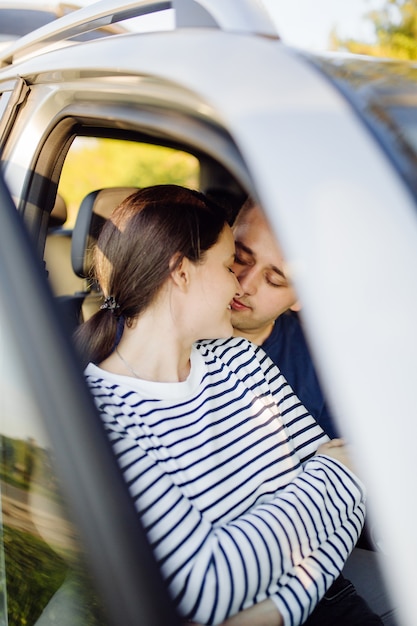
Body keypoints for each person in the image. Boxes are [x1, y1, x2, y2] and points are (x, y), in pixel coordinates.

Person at [75, 185, 378, 626]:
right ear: (181, 272)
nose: (240, 285)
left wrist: (274, 611)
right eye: (229, 264)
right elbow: (209, 587)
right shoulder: (106, 418)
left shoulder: (238, 358)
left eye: (276, 277)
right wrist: (333, 475)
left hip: (328, 605)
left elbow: (351, 510)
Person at [230, 197, 338, 439]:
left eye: (274, 280)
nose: (245, 284)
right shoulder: (157, 329)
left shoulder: (323, 369)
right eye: (239, 257)